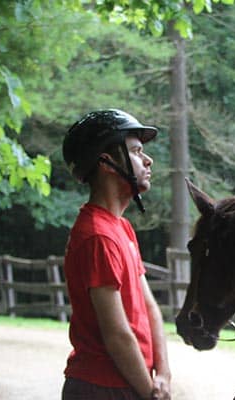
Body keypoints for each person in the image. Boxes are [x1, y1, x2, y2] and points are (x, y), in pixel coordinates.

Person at [60, 109, 171, 400]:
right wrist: (149, 393)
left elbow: (149, 308)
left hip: (127, 384)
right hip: (102, 388)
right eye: (135, 151)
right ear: (107, 162)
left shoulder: (122, 228)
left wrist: (163, 373)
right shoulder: (97, 236)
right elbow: (117, 334)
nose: (148, 161)